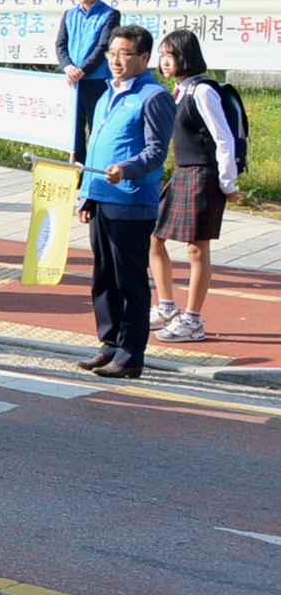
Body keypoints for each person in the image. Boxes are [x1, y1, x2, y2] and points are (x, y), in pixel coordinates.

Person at [75, 26, 175, 379]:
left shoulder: (153, 96)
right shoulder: (108, 92)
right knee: (103, 278)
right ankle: (110, 344)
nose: (115, 60)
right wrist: (86, 195)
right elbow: (97, 146)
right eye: (112, 53)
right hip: (101, 198)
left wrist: (126, 169)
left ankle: (131, 355)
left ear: (144, 57)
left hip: (131, 201)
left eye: (124, 54)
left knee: (129, 281)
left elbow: (156, 152)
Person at [151, 29, 239, 345]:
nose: (164, 62)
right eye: (162, 55)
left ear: (185, 56)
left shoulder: (202, 91)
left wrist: (227, 181)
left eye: (170, 55)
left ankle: (192, 320)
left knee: (196, 249)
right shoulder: (179, 91)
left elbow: (223, 138)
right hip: (182, 173)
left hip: (203, 175)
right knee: (154, 237)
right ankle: (166, 307)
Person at [53, 0, 121, 164]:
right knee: (74, 134)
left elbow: (103, 47)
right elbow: (60, 44)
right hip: (72, 82)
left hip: (96, 82)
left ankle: (95, 171)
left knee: (96, 131)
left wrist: (82, 70)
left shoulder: (110, 14)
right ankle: (77, 173)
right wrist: (68, 67)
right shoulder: (70, 14)